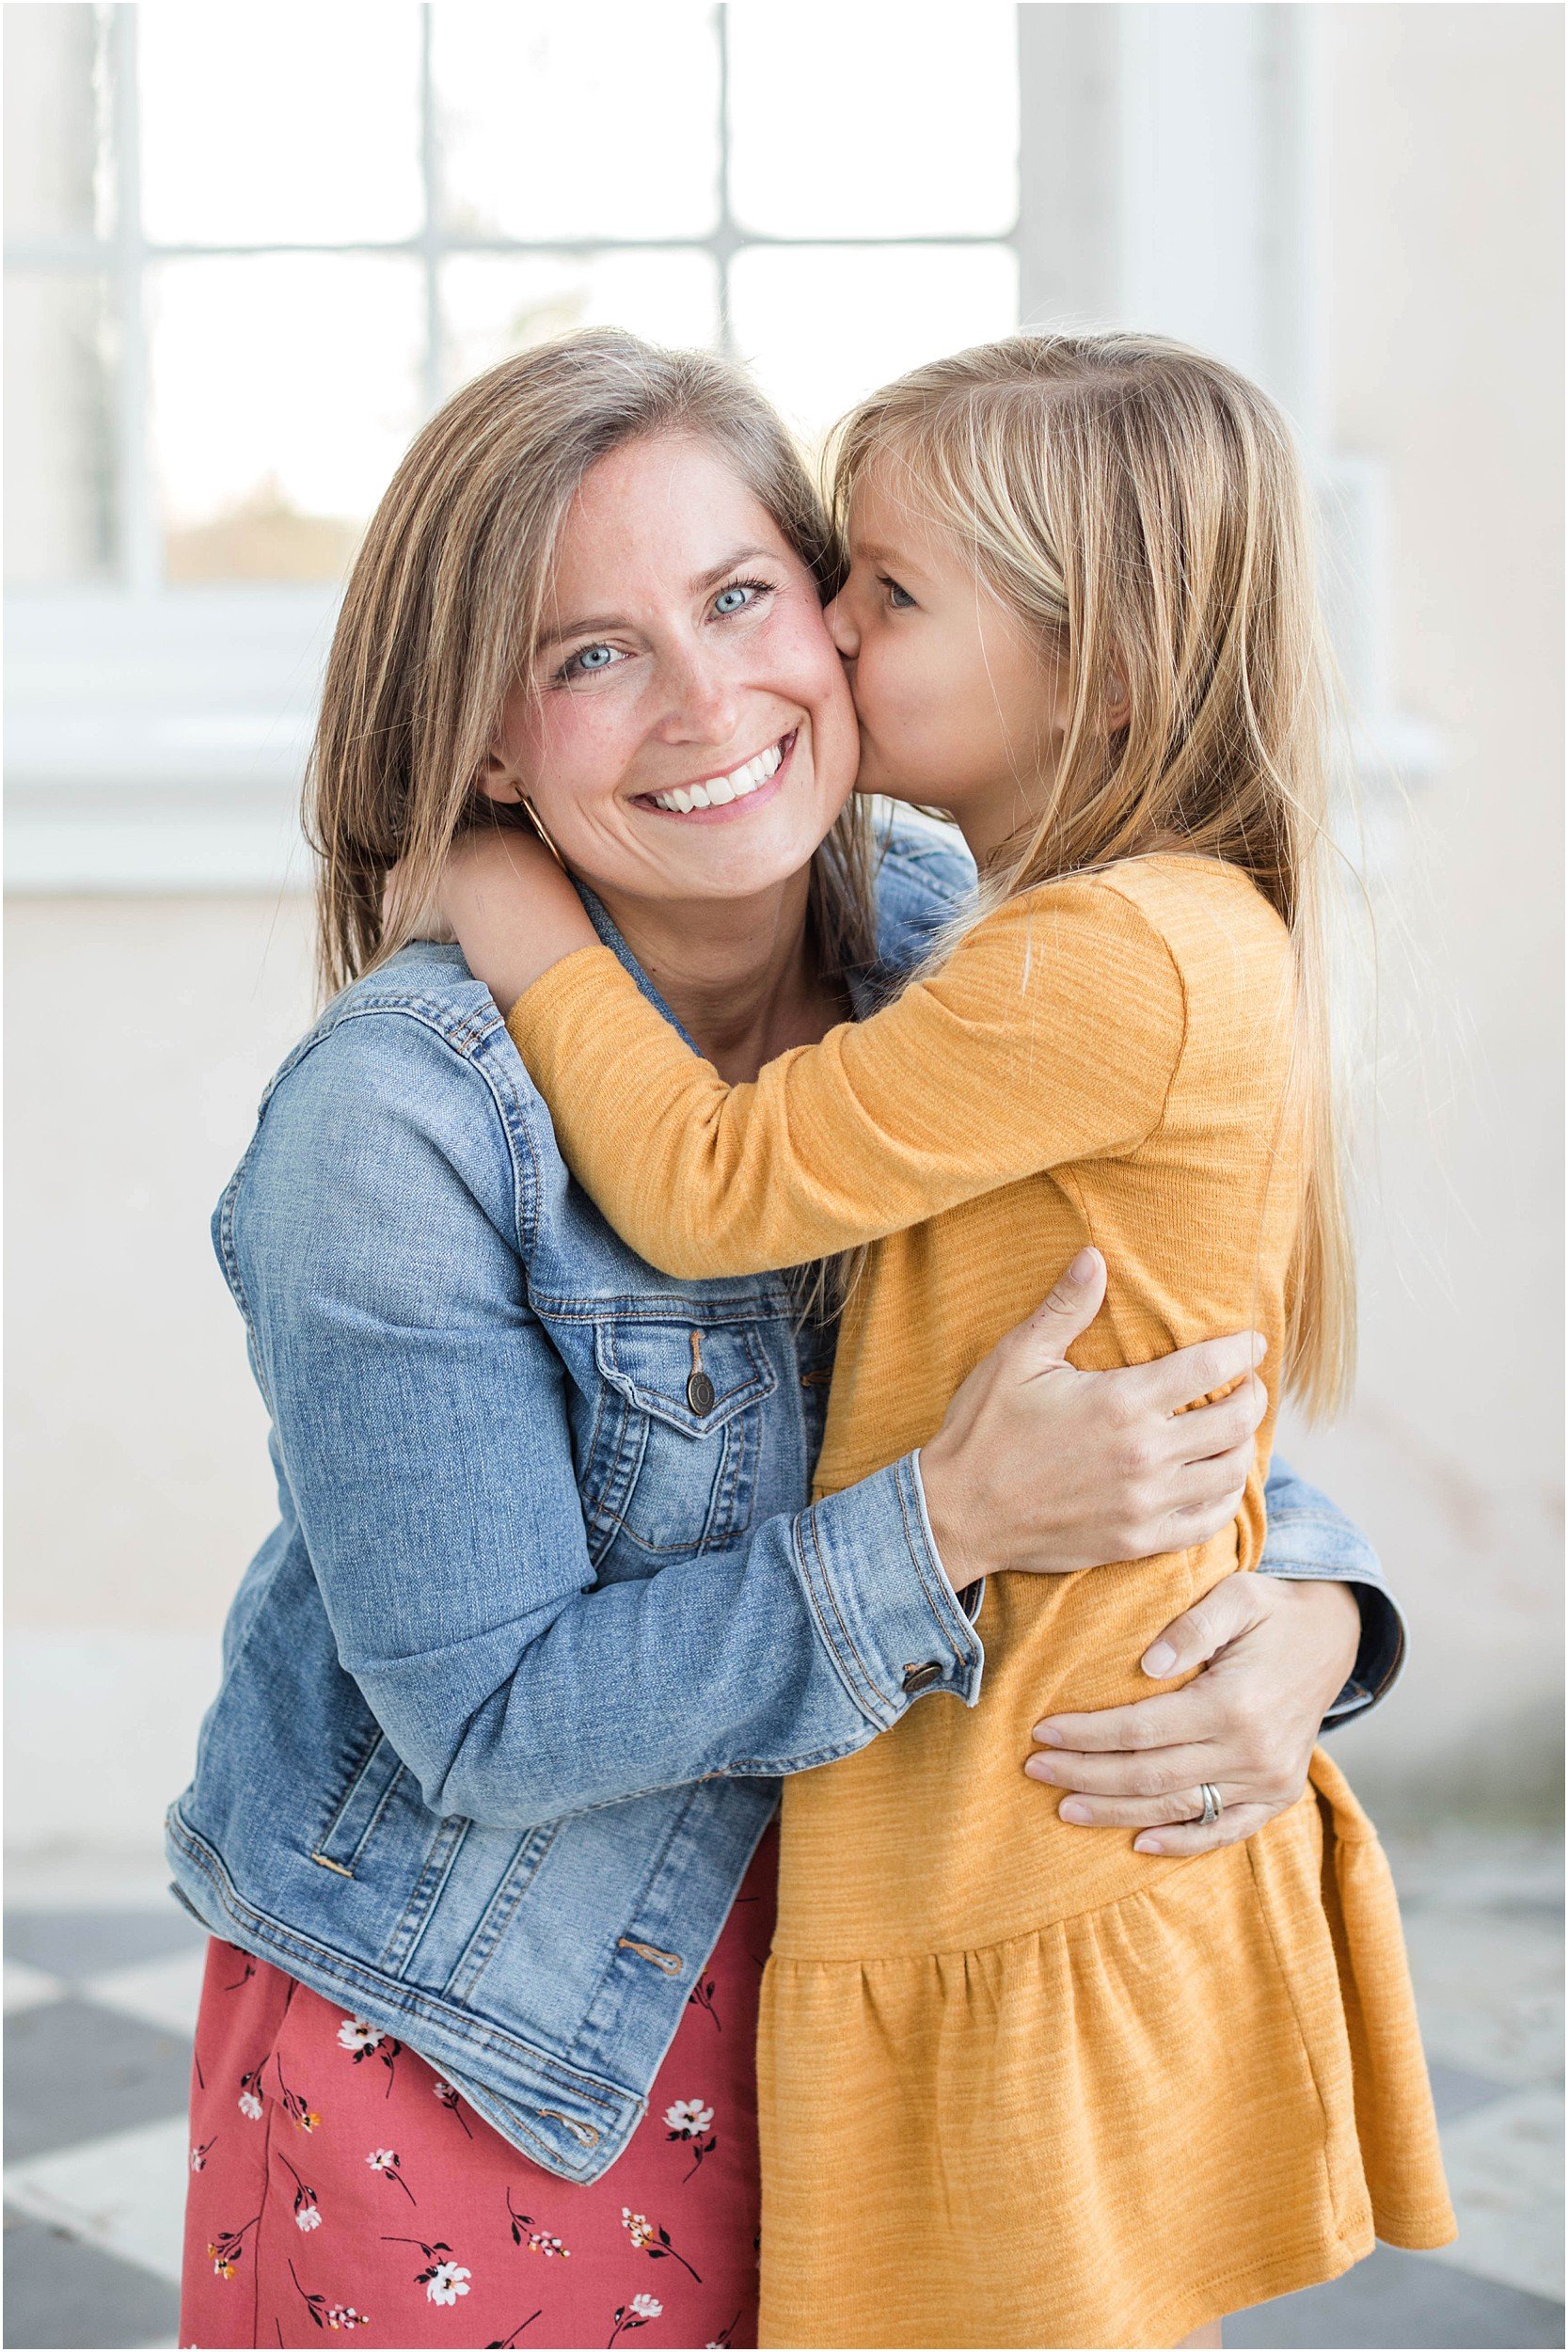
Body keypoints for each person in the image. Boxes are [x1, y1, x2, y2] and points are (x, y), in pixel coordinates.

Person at [172, 331, 1405, 2352]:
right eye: (589, 654)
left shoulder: (959, 932)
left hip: (905, 1997)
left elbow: (1143, 1359)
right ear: (486, 741)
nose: (710, 695)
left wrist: (1318, 1617)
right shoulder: (391, 1127)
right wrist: (938, 1530)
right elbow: (482, 1719)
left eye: (747, 596)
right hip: (493, 2041)